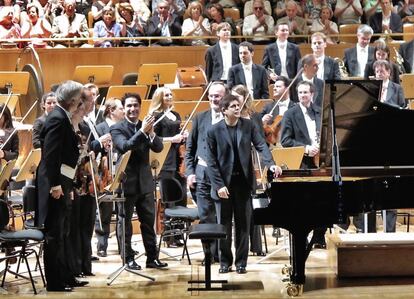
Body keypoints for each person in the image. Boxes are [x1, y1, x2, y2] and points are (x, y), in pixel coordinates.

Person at [206, 94, 282, 274]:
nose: (237, 108)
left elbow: (261, 145)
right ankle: (225, 262)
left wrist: (271, 165)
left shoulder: (248, 125)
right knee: (224, 224)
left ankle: (241, 263)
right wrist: (218, 185)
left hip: (243, 183)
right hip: (224, 184)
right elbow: (211, 161)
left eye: (238, 105)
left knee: (243, 224)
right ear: (224, 110)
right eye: (232, 106)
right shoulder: (213, 130)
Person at [35, 80, 85, 292]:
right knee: (55, 234)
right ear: (73, 101)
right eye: (80, 99)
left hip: (63, 182)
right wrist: (55, 184)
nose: (81, 102)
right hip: (54, 185)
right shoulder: (57, 118)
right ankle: (55, 283)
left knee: (63, 232)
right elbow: (51, 155)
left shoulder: (62, 116)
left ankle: (65, 276)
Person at [110, 92, 168, 270]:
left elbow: (158, 147)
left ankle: (152, 258)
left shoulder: (146, 125)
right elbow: (125, 146)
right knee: (125, 223)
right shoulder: (117, 128)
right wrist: (143, 131)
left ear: (140, 107)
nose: (132, 109)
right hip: (126, 182)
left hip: (145, 182)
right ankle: (128, 258)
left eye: (135, 105)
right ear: (124, 108)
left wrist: (150, 134)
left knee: (148, 223)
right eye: (128, 106)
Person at [185, 81, 228, 263]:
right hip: (202, 173)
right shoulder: (200, 117)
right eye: (210, 96)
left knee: (222, 217)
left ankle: (223, 256)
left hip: (222, 174)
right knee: (205, 216)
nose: (213, 99)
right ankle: (209, 255)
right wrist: (190, 172)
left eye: (217, 96)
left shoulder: (230, 118)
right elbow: (190, 148)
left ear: (224, 97)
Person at [280, 81, 326, 248]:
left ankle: (319, 237)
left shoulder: (320, 112)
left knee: (324, 200)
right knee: (304, 203)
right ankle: (302, 236)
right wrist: (306, 149)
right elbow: (285, 141)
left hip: (321, 164)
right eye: (300, 93)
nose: (302, 95)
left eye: (306, 92)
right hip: (302, 164)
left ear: (312, 94)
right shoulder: (290, 114)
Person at [149, 87, 188, 247]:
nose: (170, 96)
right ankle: (169, 236)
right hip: (165, 160)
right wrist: (173, 138)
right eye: (166, 95)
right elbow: (153, 139)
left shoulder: (176, 114)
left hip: (179, 160)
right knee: (169, 198)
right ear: (159, 98)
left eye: (171, 94)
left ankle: (179, 233)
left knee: (181, 197)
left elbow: (178, 135)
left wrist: (183, 136)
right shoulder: (156, 116)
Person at [94, 98, 124, 258]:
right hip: (104, 172)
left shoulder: (123, 127)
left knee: (122, 212)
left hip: (120, 171)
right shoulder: (100, 128)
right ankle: (102, 245)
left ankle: (123, 246)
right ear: (111, 111)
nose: (124, 111)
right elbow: (95, 149)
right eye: (120, 108)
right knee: (104, 211)